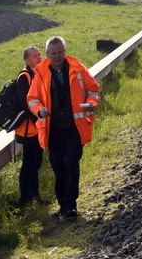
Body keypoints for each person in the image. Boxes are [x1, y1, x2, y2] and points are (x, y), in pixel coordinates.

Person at [26, 36, 101, 218]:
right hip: (53, 130)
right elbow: (32, 99)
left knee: (70, 162)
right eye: (53, 53)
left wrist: (91, 103)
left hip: (75, 127)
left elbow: (93, 90)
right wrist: (39, 110)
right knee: (58, 165)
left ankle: (70, 205)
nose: (57, 56)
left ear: (64, 52)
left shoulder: (78, 69)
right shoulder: (41, 73)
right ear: (47, 55)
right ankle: (62, 204)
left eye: (60, 52)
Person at [15, 45, 44, 205]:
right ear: (27, 60)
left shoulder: (38, 74)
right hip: (28, 129)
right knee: (28, 164)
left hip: (37, 127)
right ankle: (25, 199)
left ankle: (35, 195)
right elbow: (24, 104)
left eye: (39, 54)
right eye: (34, 56)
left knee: (37, 162)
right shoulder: (25, 76)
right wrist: (39, 120)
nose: (39, 57)